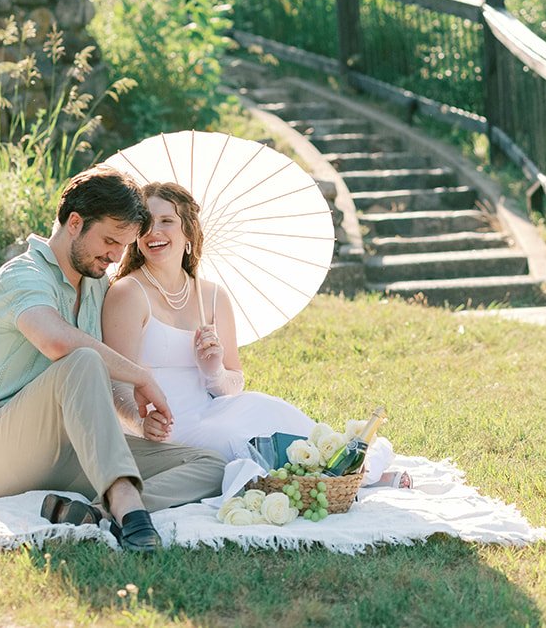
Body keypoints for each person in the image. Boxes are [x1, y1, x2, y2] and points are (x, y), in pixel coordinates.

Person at [0, 166, 226, 552]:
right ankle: (129, 507)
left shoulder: (97, 286)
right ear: (75, 223)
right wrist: (142, 377)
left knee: (210, 466)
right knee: (82, 359)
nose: (115, 257)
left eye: (123, 246)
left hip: (69, 449)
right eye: (110, 241)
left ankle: (96, 513)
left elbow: (100, 387)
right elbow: (56, 342)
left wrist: (136, 417)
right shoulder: (22, 275)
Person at [101, 180, 408, 488]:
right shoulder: (128, 293)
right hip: (163, 425)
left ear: (188, 232)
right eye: (145, 225)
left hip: (211, 409)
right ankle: (342, 481)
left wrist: (214, 372)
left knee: (269, 409)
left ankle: (351, 472)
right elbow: (115, 382)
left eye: (166, 221)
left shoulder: (212, 296)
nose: (154, 232)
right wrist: (141, 423)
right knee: (232, 440)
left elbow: (234, 383)